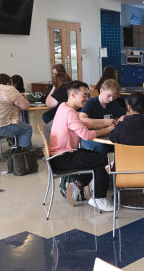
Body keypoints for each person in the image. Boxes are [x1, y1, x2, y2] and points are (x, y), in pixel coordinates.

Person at [48, 81, 115, 211]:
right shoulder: (69, 112)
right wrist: (108, 130)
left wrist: (104, 125)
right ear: (73, 94)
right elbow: (86, 135)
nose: (87, 99)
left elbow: (84, 124)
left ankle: (76, 185)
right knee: (100, 159)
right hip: (62, 158)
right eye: (84, 95)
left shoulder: (63, 107)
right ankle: (99, 199)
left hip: (58, 157)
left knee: (96, 157)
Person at [0, 74, 33, 163]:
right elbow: (25, 106)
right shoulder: (8, 89)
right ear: (8, 83)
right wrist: (20, 96)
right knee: (27, 128)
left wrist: (17, 96)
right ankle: (23, 157)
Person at [78, 79, 125, 154]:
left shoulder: (113, 103)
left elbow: (124, 115)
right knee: (101, 147)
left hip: (107, 135)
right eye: (109, 96)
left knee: (124, 143)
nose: (111, 99)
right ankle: (103, 164)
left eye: (114, 97)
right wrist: (105, 121)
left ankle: (116, 164)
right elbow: (82, 119)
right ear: (101, 91)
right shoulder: (91, 103)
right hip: (90, 137)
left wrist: (120, 120)